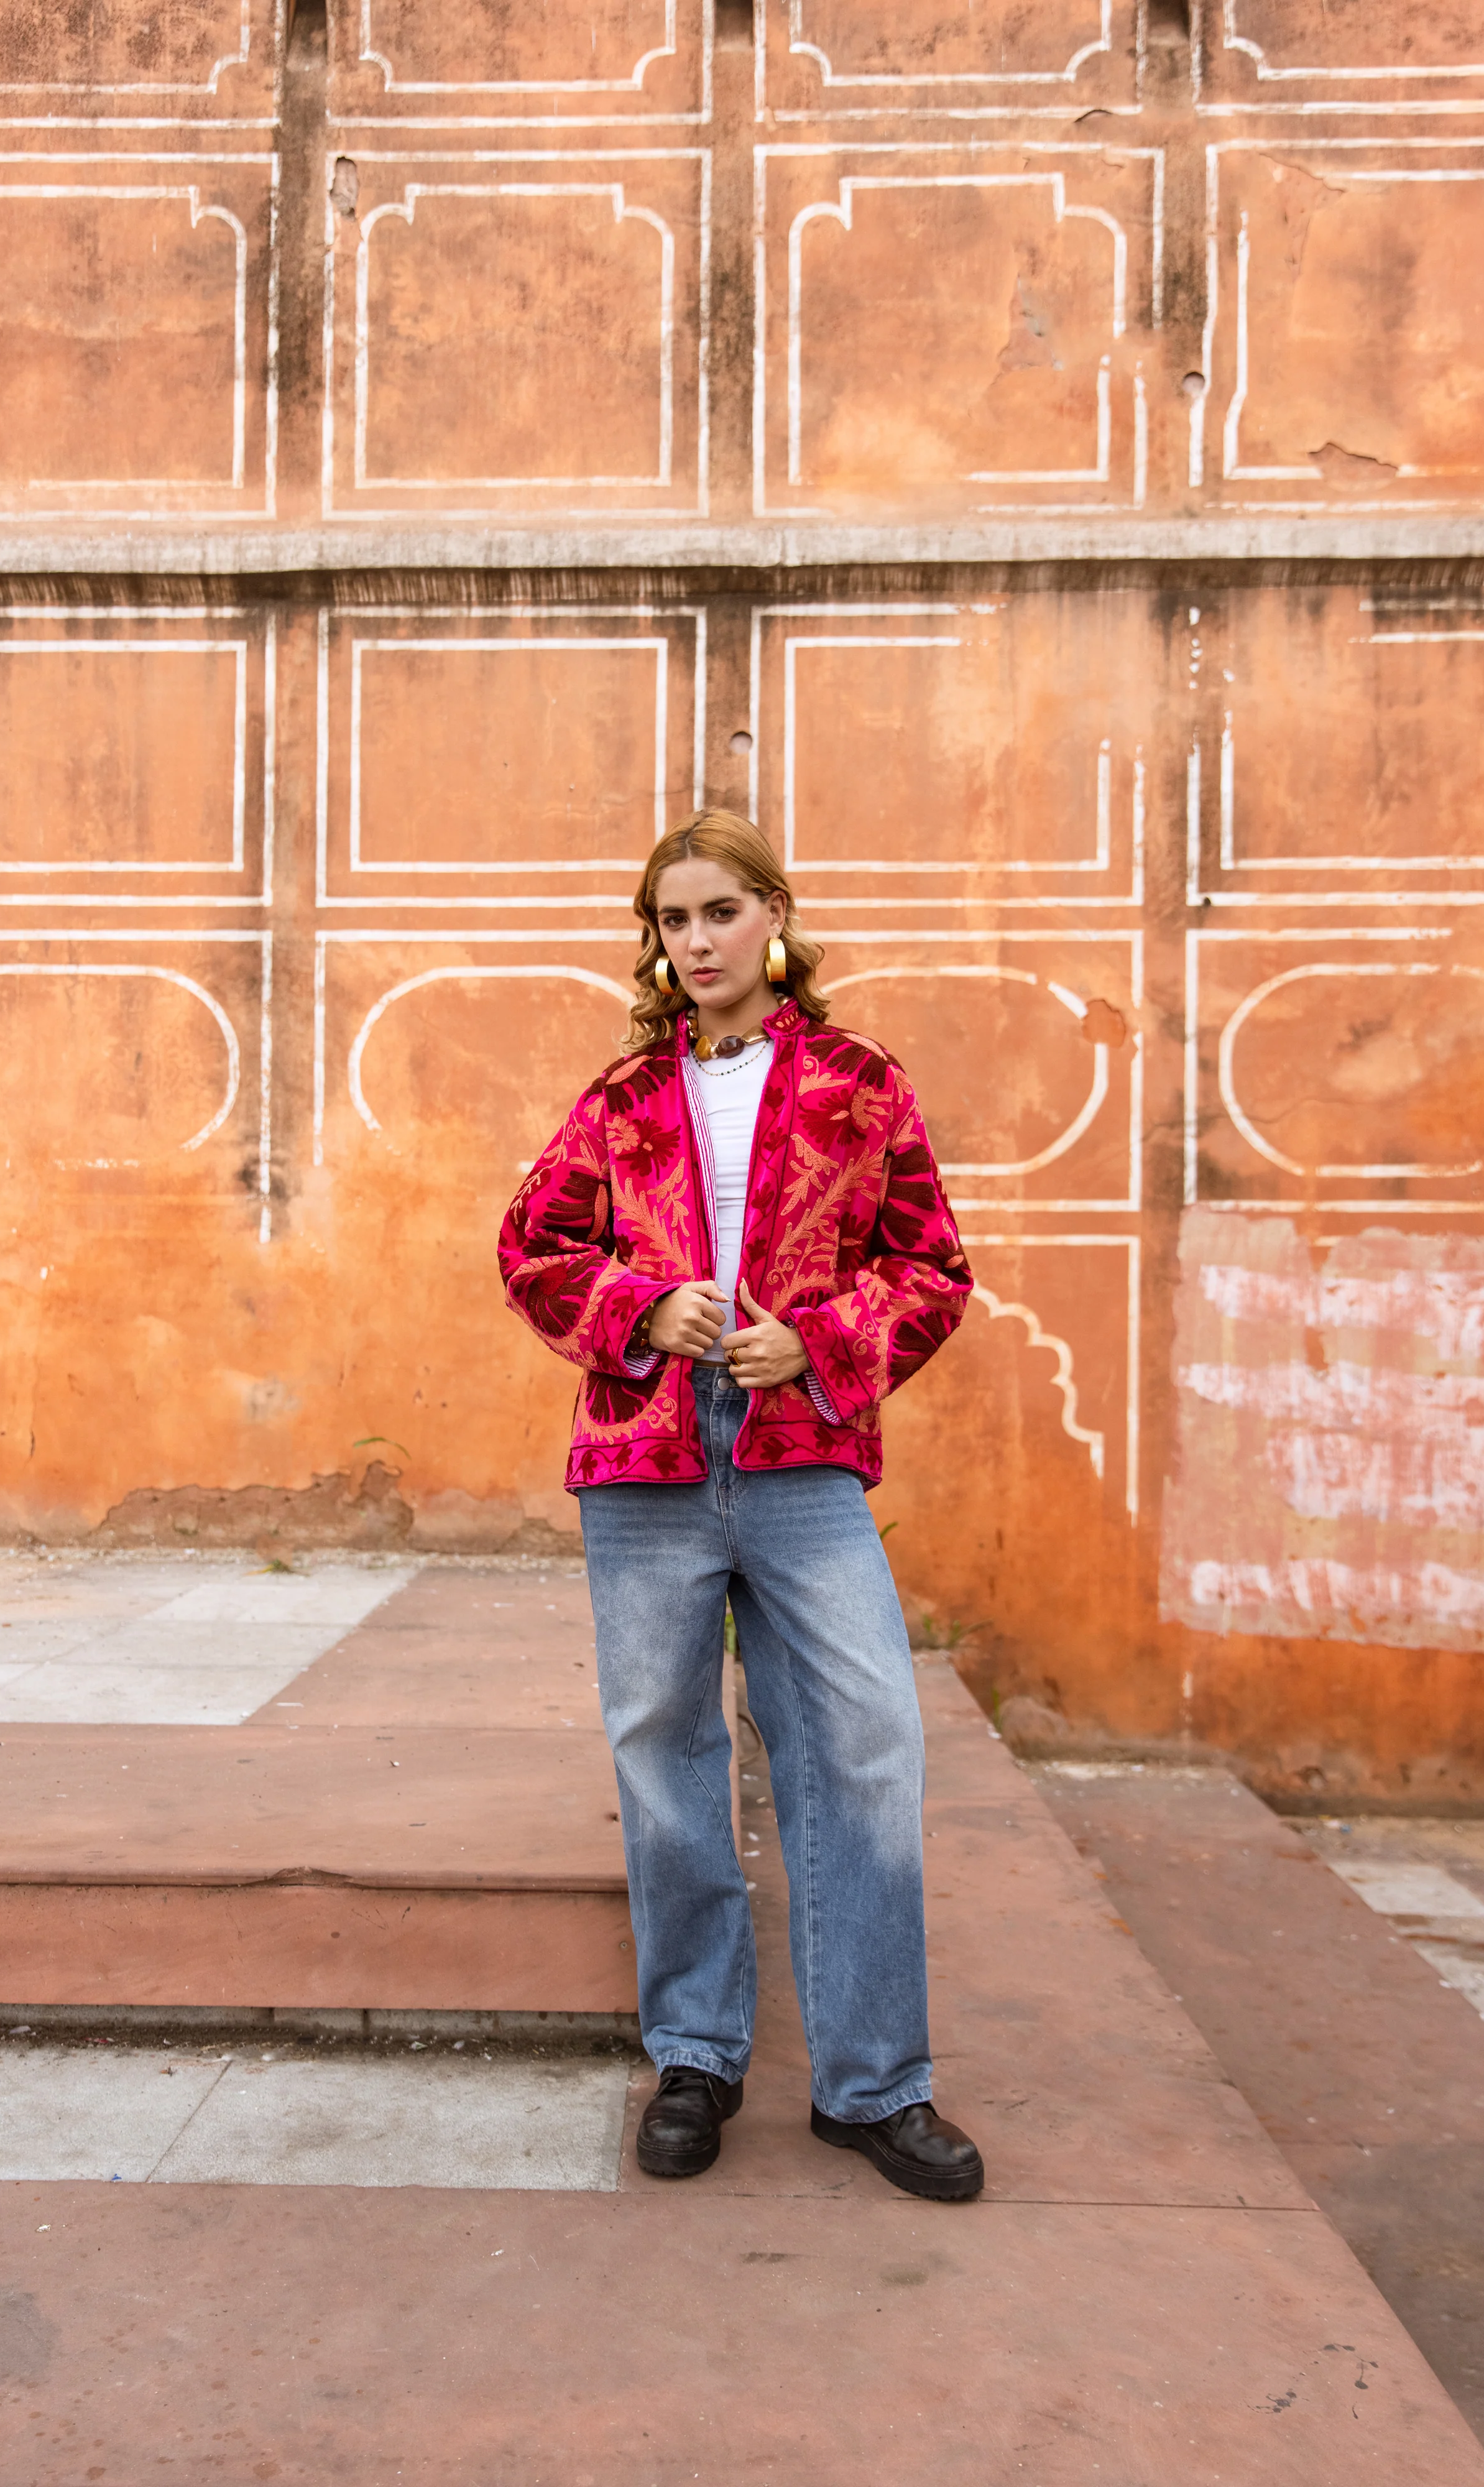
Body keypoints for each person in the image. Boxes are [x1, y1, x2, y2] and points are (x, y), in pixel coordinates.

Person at [497, 809, 984, 2202]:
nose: (695, 940)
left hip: (801, 1453)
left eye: (719, 911)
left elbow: (930, 1266)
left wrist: (817, 1343)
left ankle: (873, 2082)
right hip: (645, 1458)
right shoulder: (619, 1096)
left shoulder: (856, 1081)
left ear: (772, 914)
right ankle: (696, 2052)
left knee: (867, 1744)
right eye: (671, 919)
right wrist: (643, 1306)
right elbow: (531, 1246)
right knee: (663, 1746)